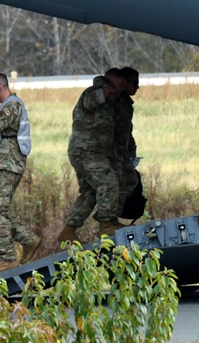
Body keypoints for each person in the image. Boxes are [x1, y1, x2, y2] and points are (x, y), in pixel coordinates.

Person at [0, 72, 41, 273]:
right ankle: (27, 239)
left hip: (8, 164)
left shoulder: (13, 105)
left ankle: (7, 258)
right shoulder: (7, 106)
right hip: (3, 164)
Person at [57, 71, 121, 245]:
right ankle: (106, 226)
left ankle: (69, 230)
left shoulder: (110, 101)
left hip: (87, 152)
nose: (120, 89)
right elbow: (90, 100)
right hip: (86, 151)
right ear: (110, 82)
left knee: (90, 192)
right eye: (119, 85)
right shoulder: (92, 93)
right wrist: (106, 90)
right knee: (108, 183)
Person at [113, 67, 142, 217]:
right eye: (134, 83)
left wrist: (131, 154)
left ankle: (113, 217)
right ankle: (109, 219)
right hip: (112, 154)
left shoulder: (126, 105)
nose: (137, 87)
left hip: (122, 155)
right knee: (117, 185)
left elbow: (127, 133)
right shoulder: (114, 101)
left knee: (131, 181)